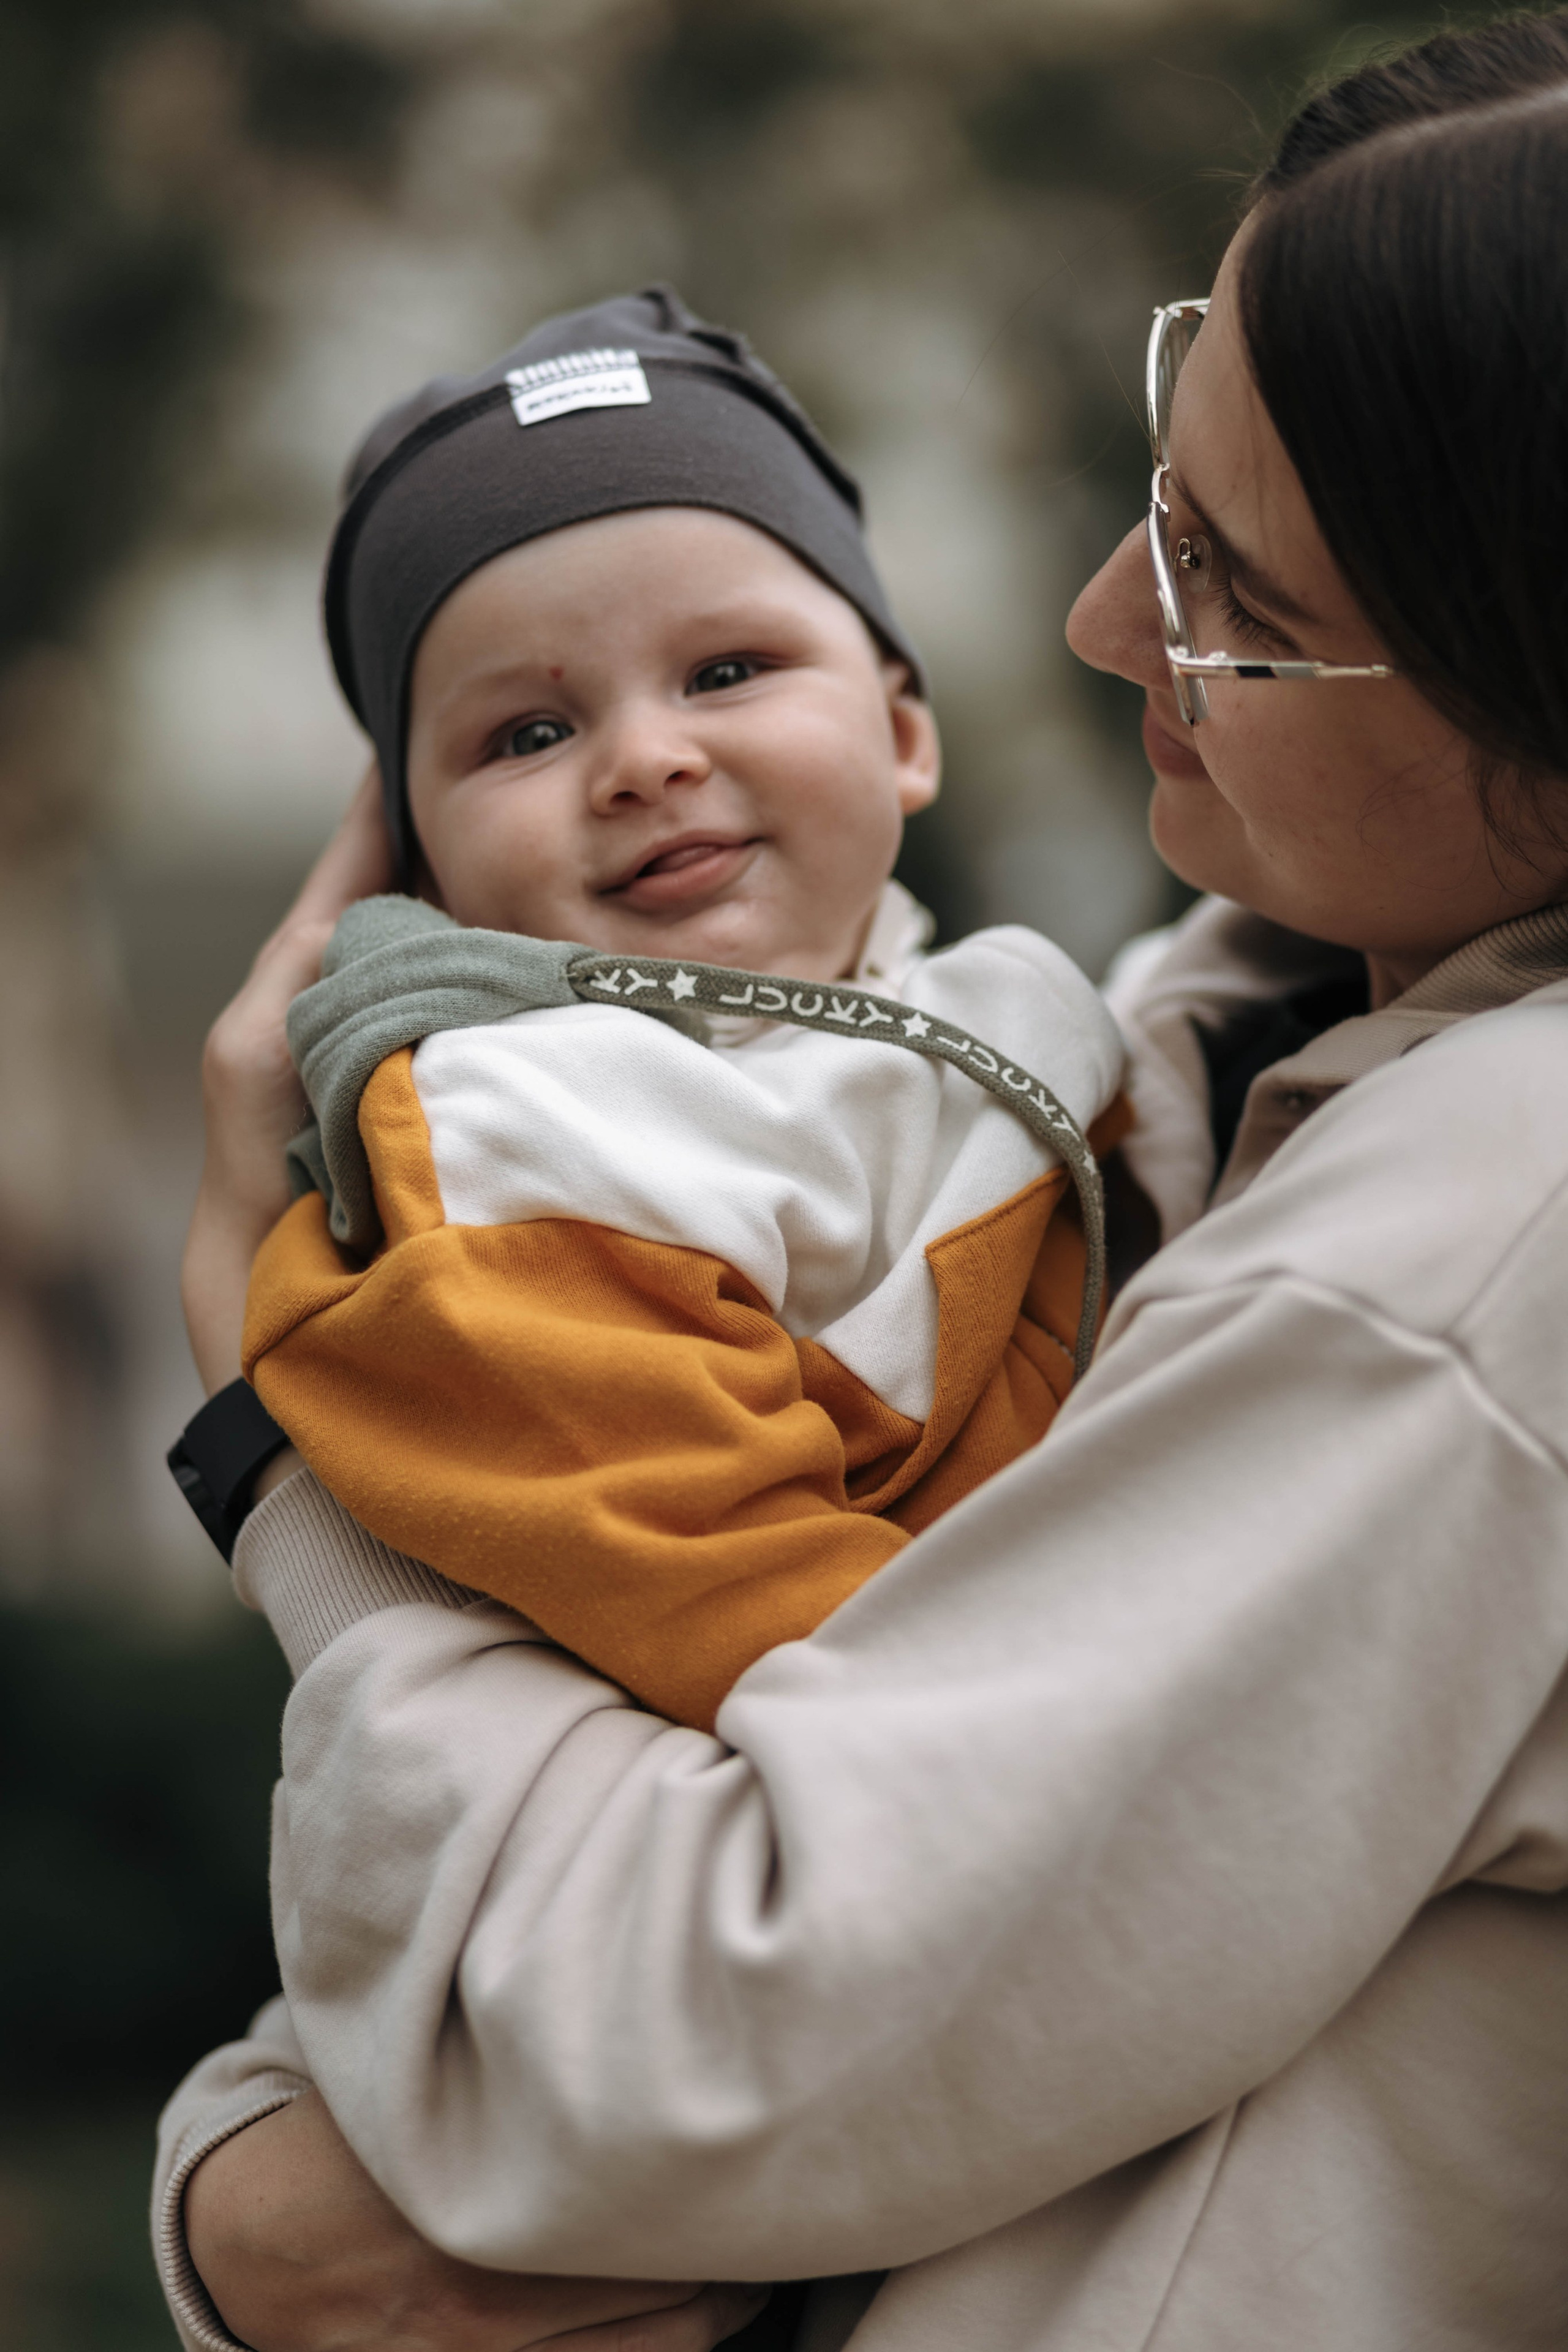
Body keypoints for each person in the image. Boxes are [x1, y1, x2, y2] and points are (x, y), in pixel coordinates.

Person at [158, 15, 1568, 2351]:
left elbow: (697, 2042)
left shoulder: (1475, 1255)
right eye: (1161, 490)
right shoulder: (1153, 1077)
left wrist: (284, 1457)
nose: (1112, 617)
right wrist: (245, 2204)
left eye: (1245, 603)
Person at [236, 287, 1125, 1733]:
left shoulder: (1029, 1013)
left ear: (901, 734)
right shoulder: (518, 1140)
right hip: (850, 1790)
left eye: (725, 672)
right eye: (528, 734)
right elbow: (732, 1600)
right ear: (418, 861)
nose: (644, 759)